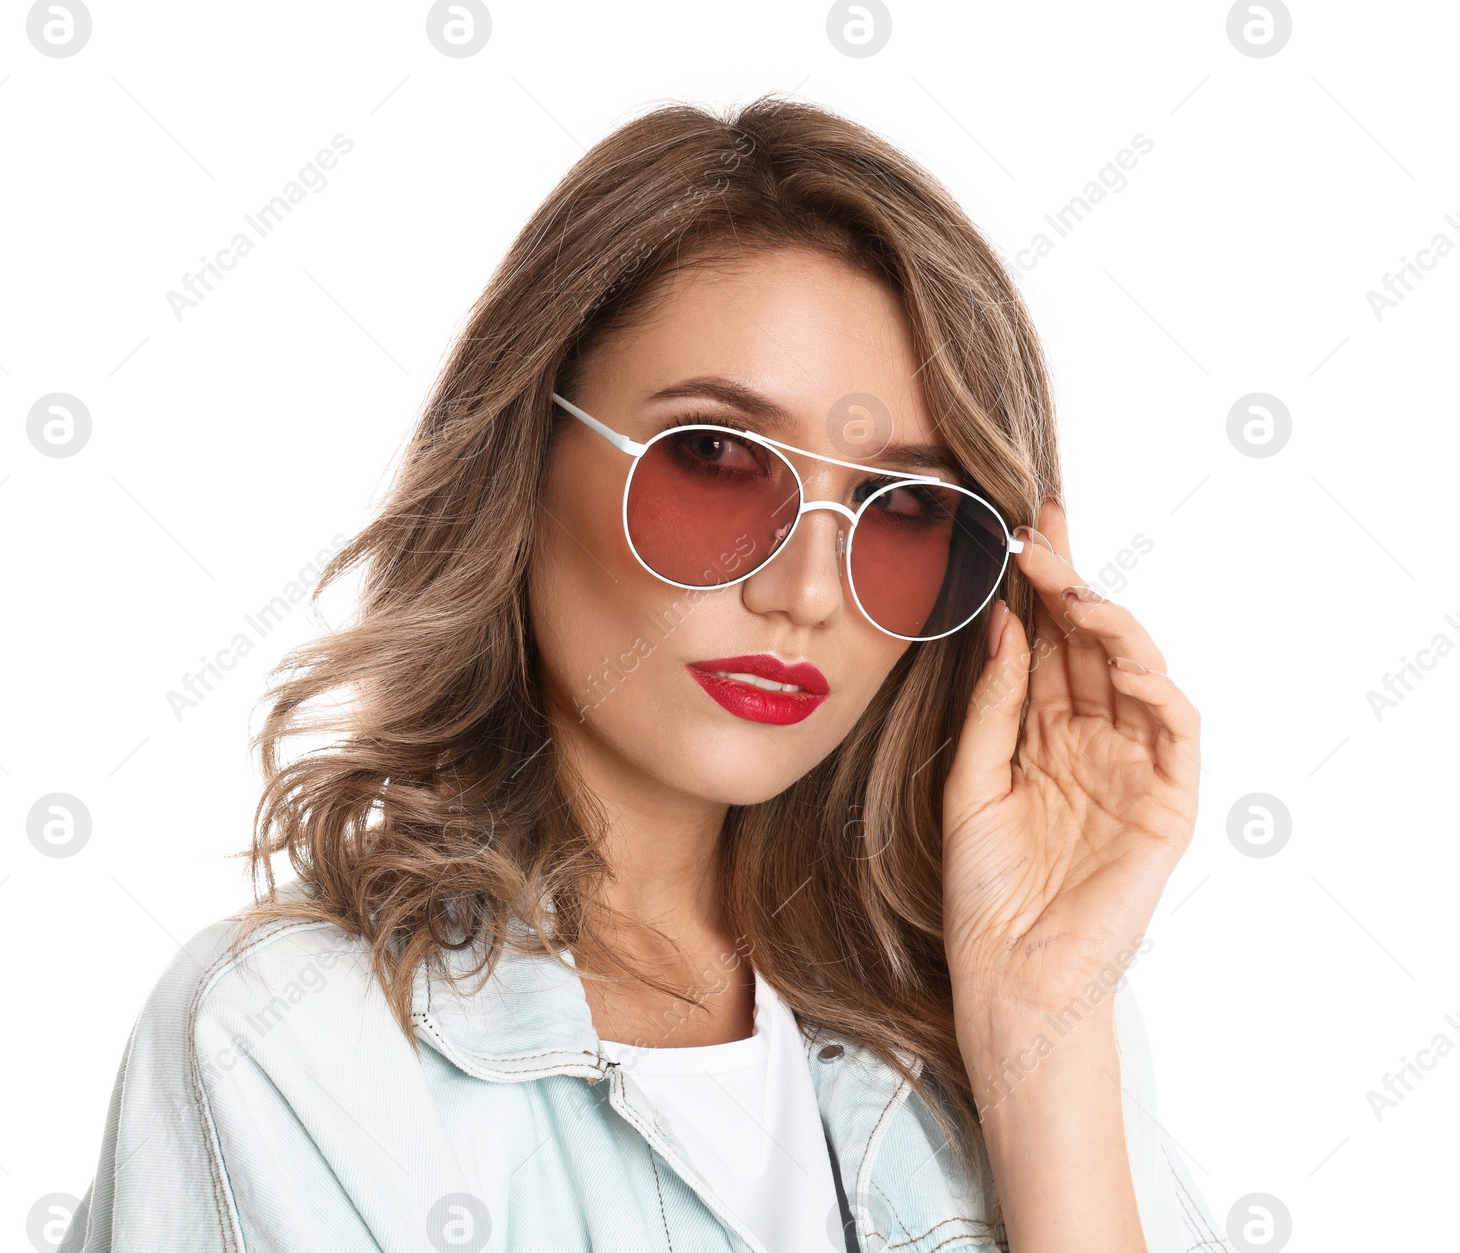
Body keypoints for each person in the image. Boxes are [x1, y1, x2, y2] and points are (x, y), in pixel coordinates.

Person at [59, 95, 1218, 1253]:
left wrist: (1042, 1043)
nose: (805, 590)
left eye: (899, 507)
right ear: (524, 457)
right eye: (716, 460)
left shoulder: (1008, 1014)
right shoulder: (294, 1044)